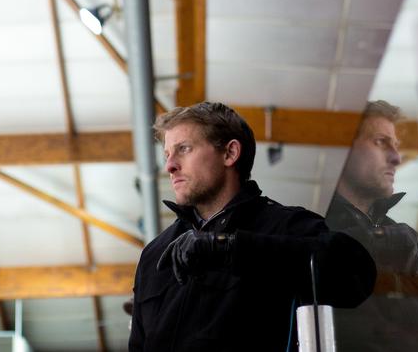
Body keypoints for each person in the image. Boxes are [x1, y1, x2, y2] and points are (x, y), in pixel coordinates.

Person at [129, 102, 376, 352]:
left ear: (230, 153)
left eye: (184, 149)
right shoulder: (154, 253)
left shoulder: (283, 226)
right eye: (167, 154)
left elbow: (354, 274)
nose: (170, 166)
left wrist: (228, 248)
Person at [325, 100, 418, 351]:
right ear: (343, 149)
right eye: (381, 142)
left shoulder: (403, 235)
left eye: (396, 146)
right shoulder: (311, 224)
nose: (396, 157)